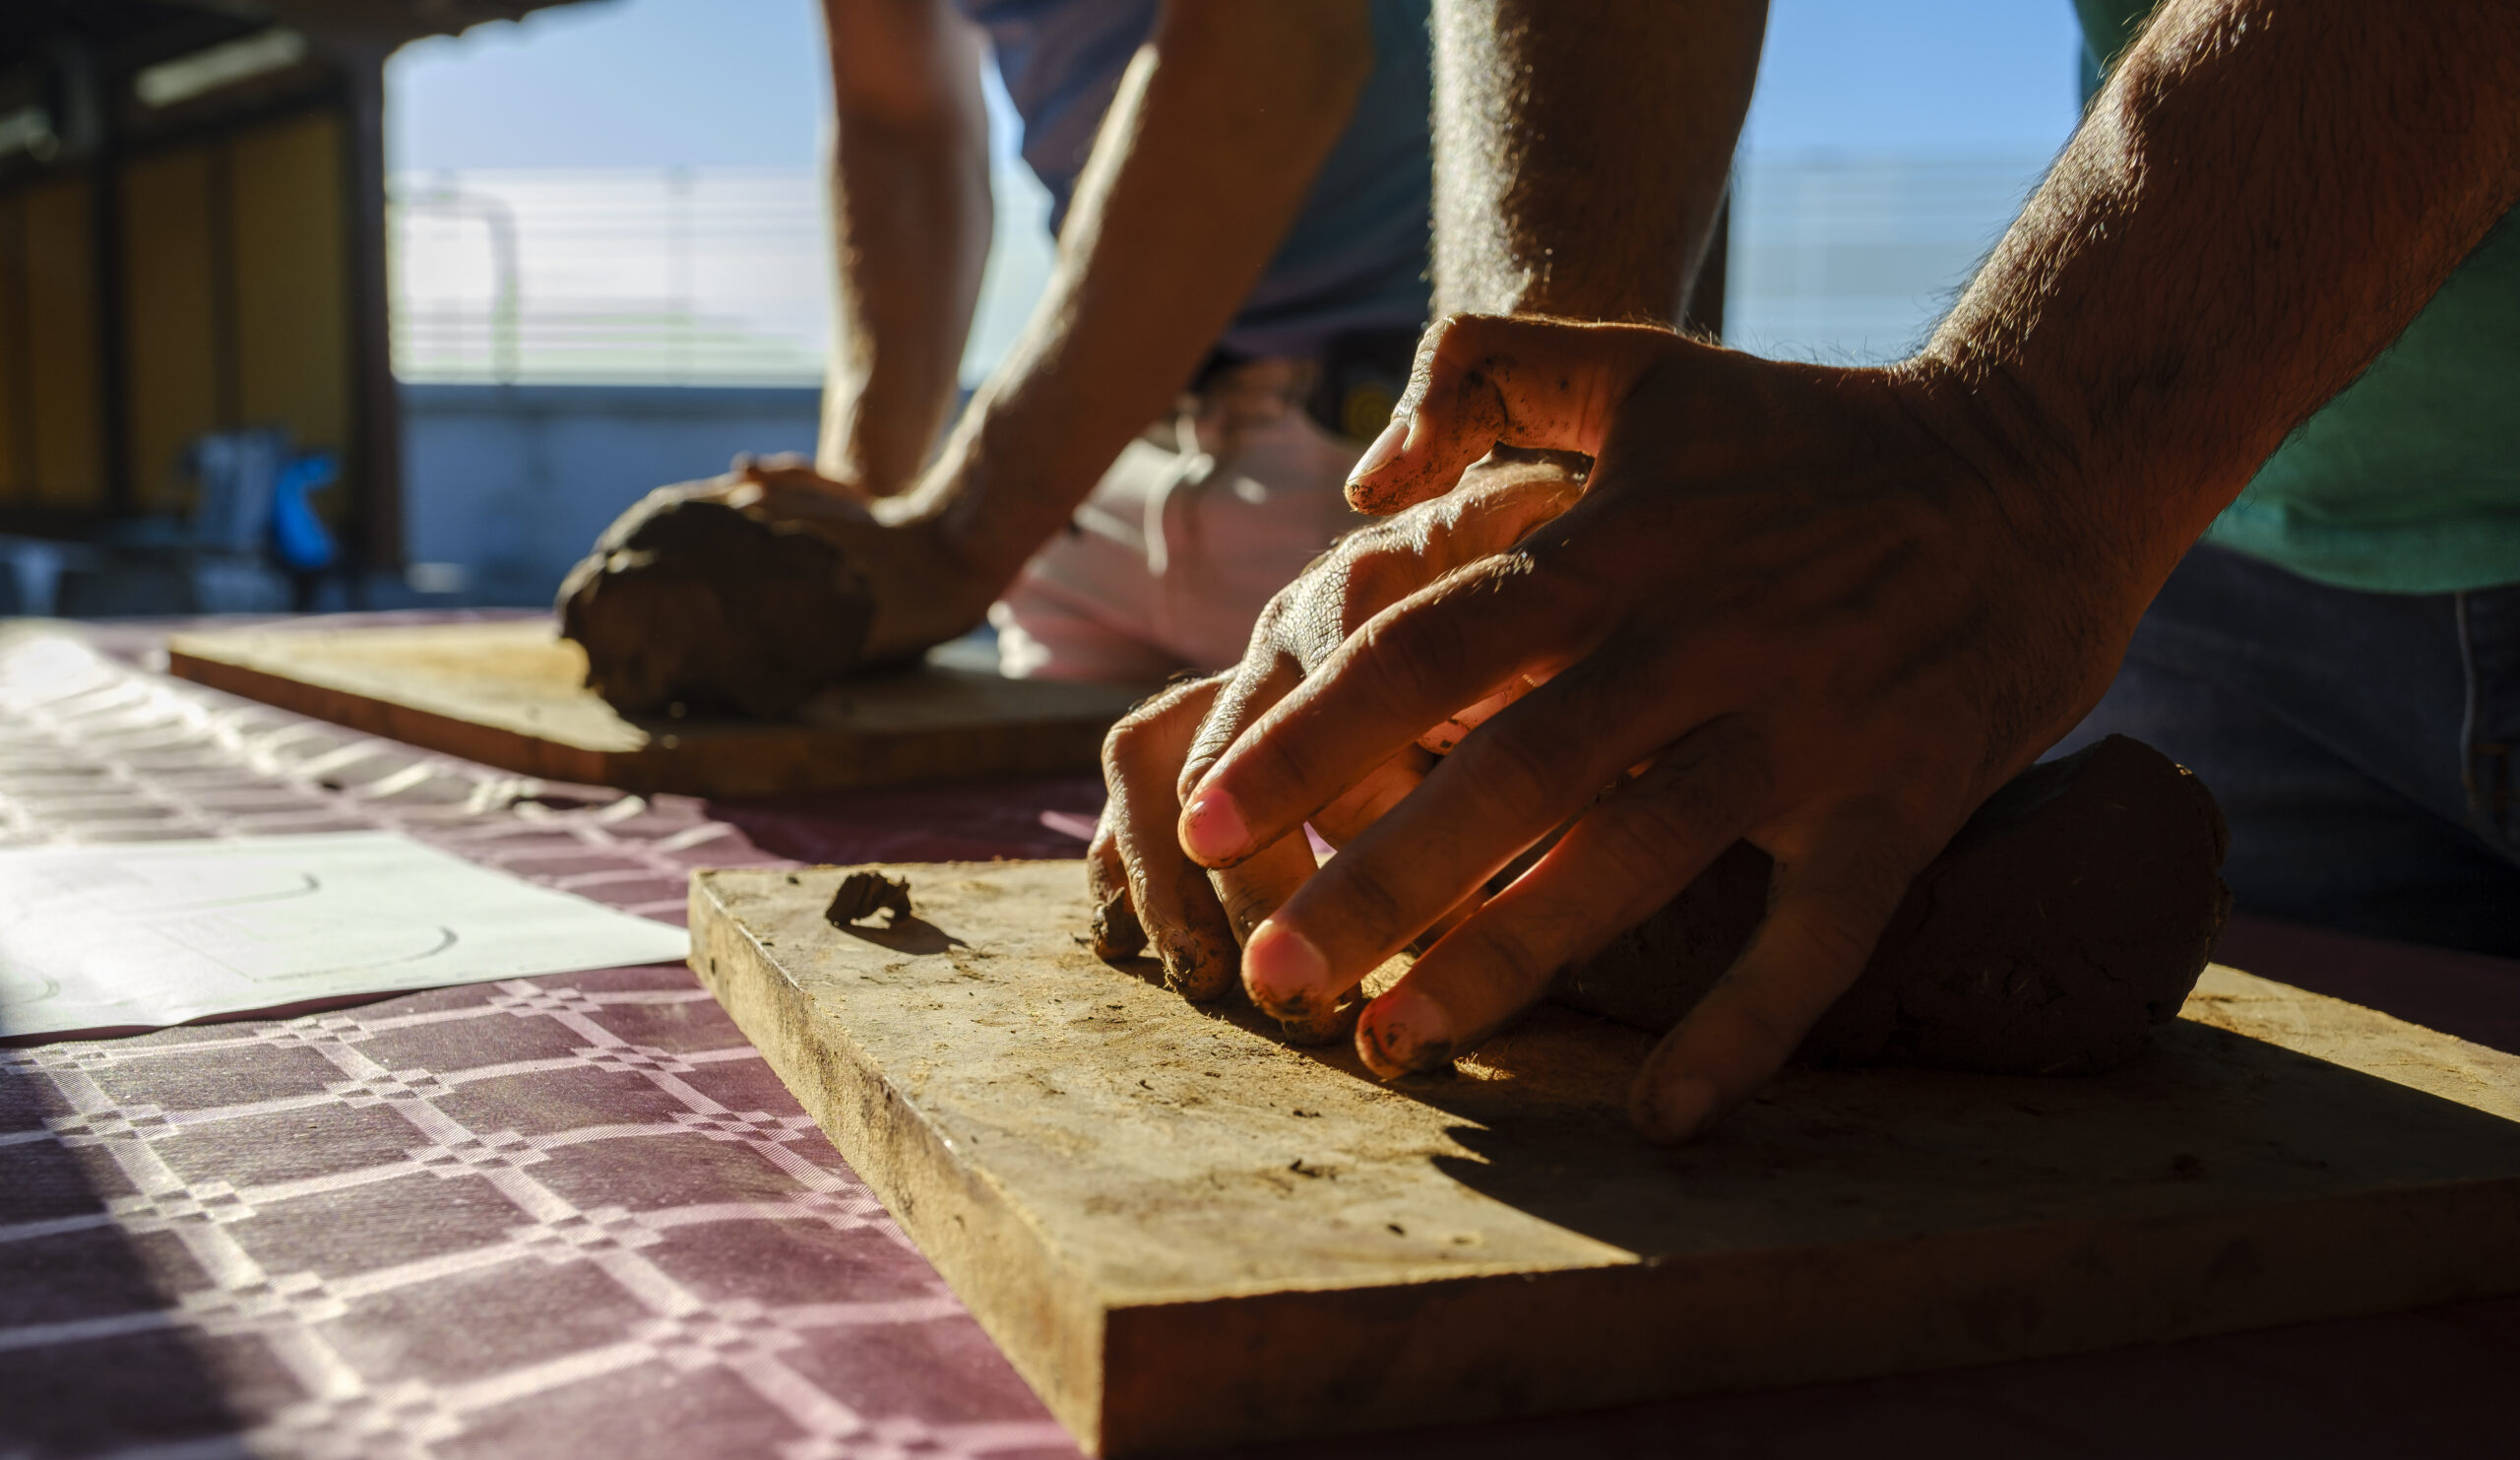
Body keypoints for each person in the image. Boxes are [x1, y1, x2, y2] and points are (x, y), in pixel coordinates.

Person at [1089, 0, 2520, 1134]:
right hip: (2223, 535)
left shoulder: (2049, 481)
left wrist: (2018, 453)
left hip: (2136, 464)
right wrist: (1547, 509)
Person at [567, 0, 1433, 690]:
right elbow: (899, 121)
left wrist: (960, 540)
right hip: (1099, 461)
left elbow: (1276, 42)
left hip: (1381, 450)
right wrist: (864, 526)